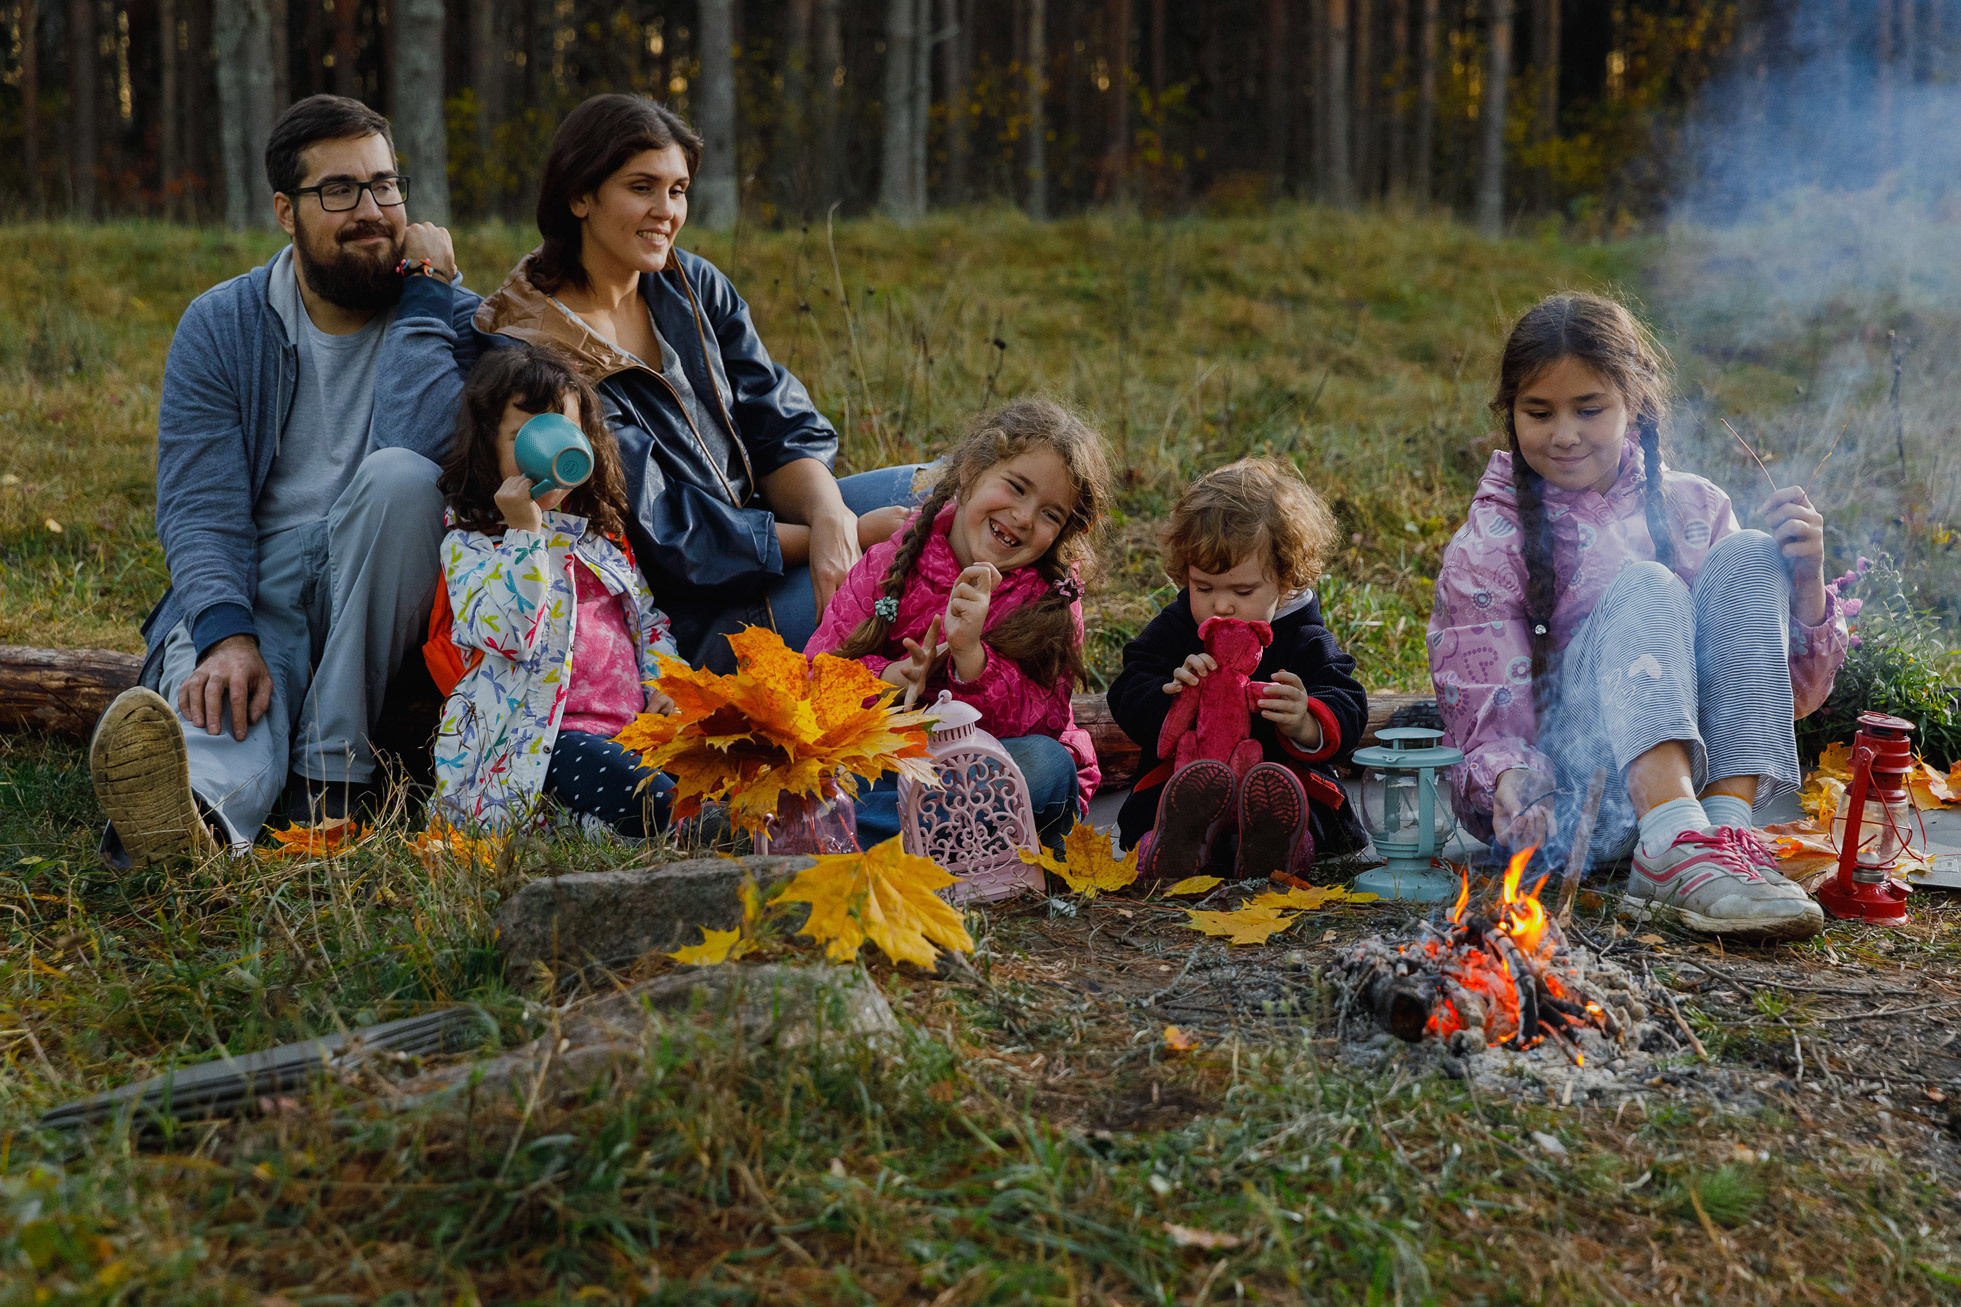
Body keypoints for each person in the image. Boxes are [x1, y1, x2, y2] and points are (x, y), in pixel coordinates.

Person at [384, 93, 915, 671]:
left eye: (678, 189)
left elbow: (777, 423)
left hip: (767, 522)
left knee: (941, 494)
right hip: (685, 609)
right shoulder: (528, 347)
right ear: (579, 196)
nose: (667, 210)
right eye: (642, 188)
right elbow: (663, 533)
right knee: (909, 580)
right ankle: (954, 732)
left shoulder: (693, 284)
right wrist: (844, 537)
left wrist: (832, 517)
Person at [89, 94, 475, 864]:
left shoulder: (454, 322)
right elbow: (199, 506)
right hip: (261, 575)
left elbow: (416, 453)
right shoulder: (222, 323)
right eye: (339, 190)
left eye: (385, 185)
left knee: (401, 478)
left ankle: (325, 782)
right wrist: (226, 635)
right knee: (228, 684)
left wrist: (426, 303)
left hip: (383, 581)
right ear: (284, 211)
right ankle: (188, 816)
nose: (371, 210)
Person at [1429, 292, 1847, 940]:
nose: (1563, 433)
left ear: (1635, 405)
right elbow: (1484, 720)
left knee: (1750, 554)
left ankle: (1724, 834)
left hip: (1706, 796)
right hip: (1572, 804)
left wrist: (1807, 580)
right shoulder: (1489, 542)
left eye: (1588, 408)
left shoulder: (1695, 506)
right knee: (1647, 585)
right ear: (1510, 415)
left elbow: (1793, 695)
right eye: (1538, 412)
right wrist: (1508, 781)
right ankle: (1668, 844)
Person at [805, 398, 1109, 848]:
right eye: (1017, 487)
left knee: (1046, 765)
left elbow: (1040, 722)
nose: (1023, 518)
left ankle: (835, 833)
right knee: (825, 767)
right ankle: (895, 835)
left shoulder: (1050, 600)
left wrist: (972, 659)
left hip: (987, 774)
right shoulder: (890, 563)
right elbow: (815, 674)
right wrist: (892, 677)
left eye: (1050, 514)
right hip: (893, 765)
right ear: (970, 470)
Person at [429, 344, 678, 835]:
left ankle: (620, 821)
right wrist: (525, 533)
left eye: (564, 433)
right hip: (541, 741)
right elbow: (509, 634)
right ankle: (683, 820)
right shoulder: (473, 546)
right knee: (628, 782)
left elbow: (648, 623)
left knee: (713, 748)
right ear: (488, 447)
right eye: (524, 437)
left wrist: (665, 684)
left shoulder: (602, 539)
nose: (549, 450)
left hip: (632, 731)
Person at [1107, 459, 1369, 882]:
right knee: (1163, 803)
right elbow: (1128, 686)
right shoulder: (1179, 627)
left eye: (1243, 591)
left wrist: (1305, 720)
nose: (1221, 605)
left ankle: (1279, 845)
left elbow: (1348, 701)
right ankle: (1174, 844)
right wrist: (1168, 690)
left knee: (1296, 801)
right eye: (1203, 587)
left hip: (1279, 783)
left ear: (1285, 581)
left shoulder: (1303, 637)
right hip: (1186, 778)